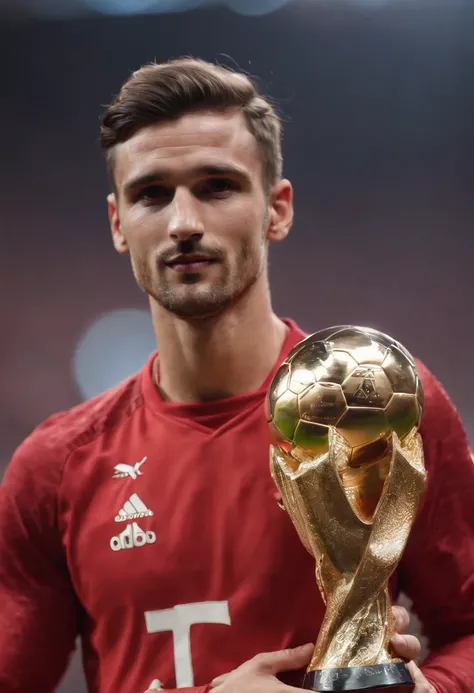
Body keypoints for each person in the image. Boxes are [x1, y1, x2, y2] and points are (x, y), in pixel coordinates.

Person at [0, 58, 473, 693]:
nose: (183, 222)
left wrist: (431, 690)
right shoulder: (54, 468)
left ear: (276, 210)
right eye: (152, 194)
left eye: (217, 186)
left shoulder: (380, 404)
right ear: (118, 224)